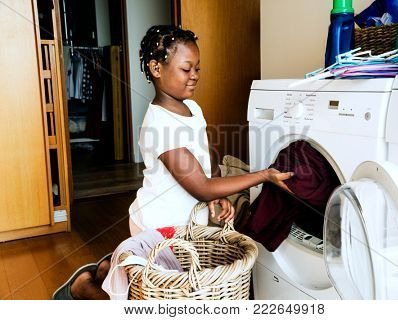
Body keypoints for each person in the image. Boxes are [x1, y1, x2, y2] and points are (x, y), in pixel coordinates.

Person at [53, 25, 292, 300]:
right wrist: (263, 175)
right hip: (158, 226)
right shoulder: (159, 124)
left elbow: (206, 155)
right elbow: (201, 186)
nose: (194, 76)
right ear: (156, 68)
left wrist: (219, 196)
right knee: (153, 301)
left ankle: (112, 267)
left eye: (197, 68)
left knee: (173, 288)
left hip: (185, 225)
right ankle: (84, 287)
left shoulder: (192, 108)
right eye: (186, 69)